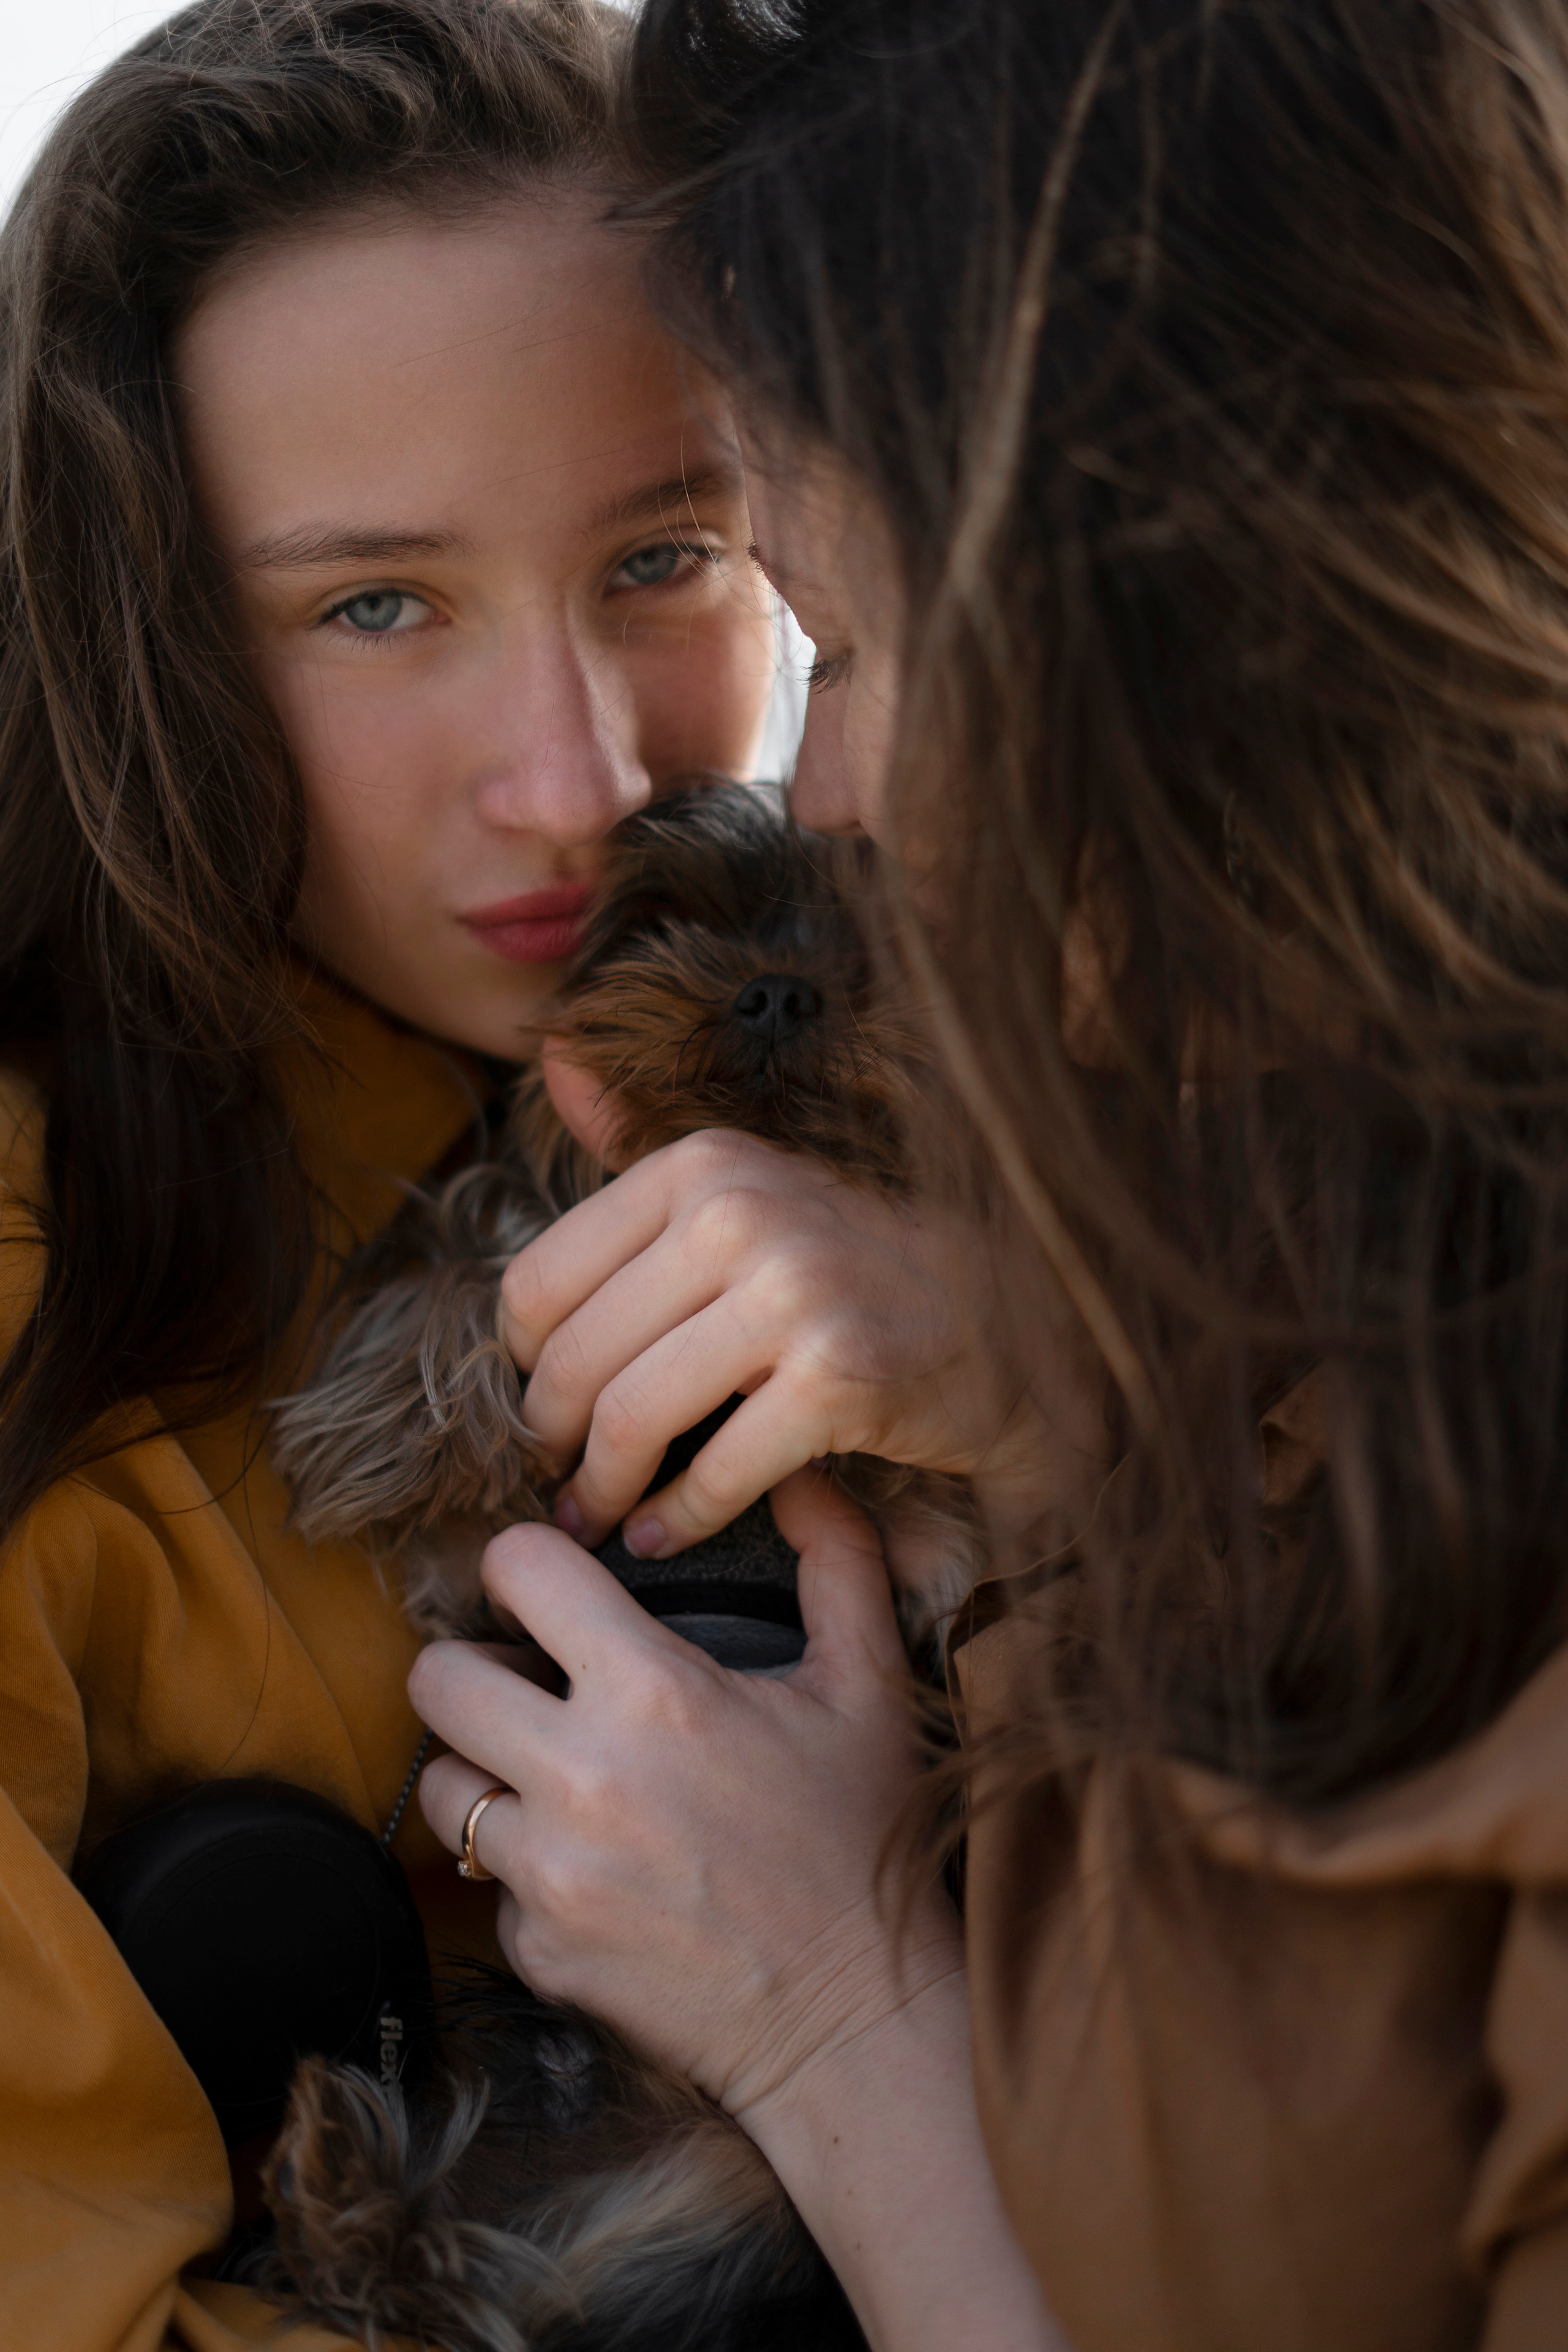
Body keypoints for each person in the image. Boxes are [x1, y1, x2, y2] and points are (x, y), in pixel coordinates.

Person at [409, 1, 1568, 2347]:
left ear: (1222, 619)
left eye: (842, 642)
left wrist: (835, 2018)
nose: (819, 793)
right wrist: (1061, 1385)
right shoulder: (1274, 1233)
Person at [0, 1, 779, 2343]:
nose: (578, 779)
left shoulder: (988, 1120)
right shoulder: (40, 1288)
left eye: (667, 553)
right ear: (130, 637)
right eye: (375, 606)